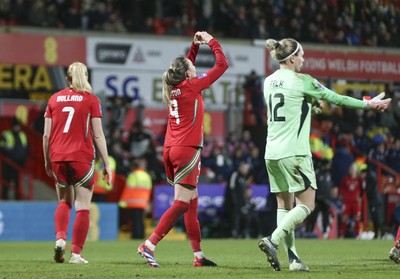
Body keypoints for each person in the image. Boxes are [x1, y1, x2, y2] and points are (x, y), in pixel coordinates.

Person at [258, 37, 391, 272]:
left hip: (272, 152)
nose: (303, 59)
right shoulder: (303, 80)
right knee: (306, 204)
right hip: (295, 152)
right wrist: (368, 105)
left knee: (284, 205)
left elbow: (288, 107)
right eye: (301, 55)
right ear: (291, 58)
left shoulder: (268, 82)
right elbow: (336, 98)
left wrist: (311, 105)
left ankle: (293, 260)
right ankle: (273, 240)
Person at [137, 31, 228, 268]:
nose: (195, 69)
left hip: (171, 149)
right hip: (187, 150)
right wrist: (209, 40)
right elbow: (222, 64)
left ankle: (198, 256)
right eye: (192, 67)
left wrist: (194, 48)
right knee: (181, 203)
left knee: (191, 202)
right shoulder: (192, 86)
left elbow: (186, 65)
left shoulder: (177, 87)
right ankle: (149, 244)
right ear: (188, 73)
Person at [43, 62, 112, 264]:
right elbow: (98, 136)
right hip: (81, 157)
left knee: (64, 201)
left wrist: (48, 161)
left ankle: (60, 240)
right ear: (86, 77)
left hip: (57, 157)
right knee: (82, 206)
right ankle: (76, 254)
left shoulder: (54, 99)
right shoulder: (91, 100)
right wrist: (106, 162)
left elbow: (46, 135)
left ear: (67, 79)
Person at [119, 157, 153, 239]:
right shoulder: (146, 176)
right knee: (141, 220)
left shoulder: (133, 175)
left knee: (135, 221)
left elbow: (128, 190)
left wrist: (122, 202)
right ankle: (141, 236)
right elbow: (149, 189)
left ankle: (135, 236)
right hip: (143, 201)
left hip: (134, 202)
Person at [0, 117, 28, 200]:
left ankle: (18, 200)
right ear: (12, 126)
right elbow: (1, 146)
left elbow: (26, 149)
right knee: (6, 183)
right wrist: (7, 153)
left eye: (18, 126)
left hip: (19, 164)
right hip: (8, 164)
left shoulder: (22, 135)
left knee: (18, 185)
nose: (17, 128)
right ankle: (4, 200)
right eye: (16, 126)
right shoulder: (5, 134)